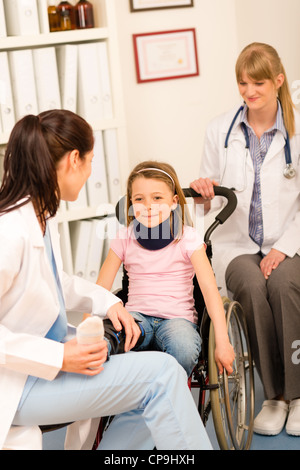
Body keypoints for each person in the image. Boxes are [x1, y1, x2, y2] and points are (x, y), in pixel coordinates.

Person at [0, 109, 213, 450]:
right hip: (18, 384)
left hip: (42, 369)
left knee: (146, 383)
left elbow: (57, 283)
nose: (89, 172)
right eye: (89, 162)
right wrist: (59, 358)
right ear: (73, 160)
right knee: (162, 374)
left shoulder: (40, 216)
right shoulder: (10, 231)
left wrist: (110, 302)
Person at [190, 42, 300, 437]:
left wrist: (284, 248)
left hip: (289, 241)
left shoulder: (297, 129)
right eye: (242, 83)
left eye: (257, 83)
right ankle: (275, 397)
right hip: (237, 245)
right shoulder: (220, 129)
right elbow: (209, 204)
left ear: (278, 81)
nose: (249, 92)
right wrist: (204, 192)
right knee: (252, 286)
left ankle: (298, 394)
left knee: (285, 282)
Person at [96, 160, 234, 378]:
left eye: (157, 197)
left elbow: (209, 292)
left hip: (177, 320)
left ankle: (166, 397)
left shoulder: (188, 238)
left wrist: (223, 342)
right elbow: (99, 290)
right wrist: (86, 333)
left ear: (173, 202)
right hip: (137, 318)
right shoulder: (124, 238)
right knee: (107, 338)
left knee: (184, 349)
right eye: (139, 199)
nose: (148, 205)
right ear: (131, 203)